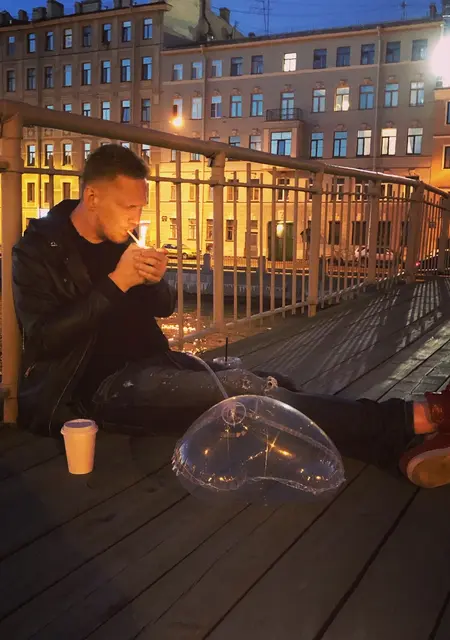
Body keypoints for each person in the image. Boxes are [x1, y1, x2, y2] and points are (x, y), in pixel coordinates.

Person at [12, 144, 450, 490]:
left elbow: (162, 309)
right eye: (129, 208)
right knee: (245, 390)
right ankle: (412, 419)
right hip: (104, 389)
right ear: (92, 197)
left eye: (140, 208)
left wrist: (154, 281)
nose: (136, 218)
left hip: (158, 364)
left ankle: (397, 450)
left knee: (272, 382)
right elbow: (44, 339)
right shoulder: (37, 251)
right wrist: (116, 282)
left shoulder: (118, 239)